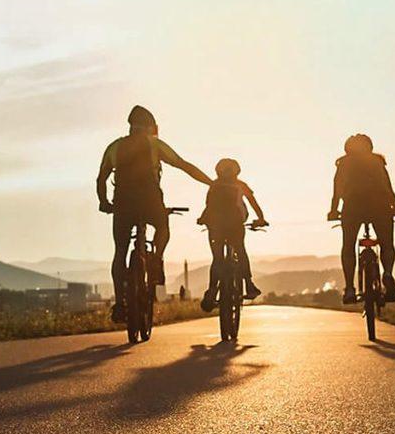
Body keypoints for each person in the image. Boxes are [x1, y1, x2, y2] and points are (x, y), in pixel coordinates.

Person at [97, 106, 212, 322]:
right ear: (151, 127)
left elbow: (101, 178)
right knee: (162, 227)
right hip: (150, 200)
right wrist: (212, 183)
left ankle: (120, 304)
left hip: (122, 204)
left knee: (120, 251)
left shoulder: (114, 147)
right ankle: (156, 260)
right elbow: (184, 165)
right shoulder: (153, 144)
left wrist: (104, 202)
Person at [328, 132, 395, 304]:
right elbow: (387, 187)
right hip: (380, 207)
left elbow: (337, 191)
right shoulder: (377, 162)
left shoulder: (343, 164)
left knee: (348, 247)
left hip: (353, 208)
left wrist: (333, 211)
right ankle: (388, 274)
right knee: (387, 244)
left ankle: (349, 288)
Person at [198, 159, 268, 310]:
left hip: (215, 226)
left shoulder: (214, 185)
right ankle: (249, 284)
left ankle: (211, 291)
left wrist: (202, 219)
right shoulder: (241, 185)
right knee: (240, 250)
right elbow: (253, 203)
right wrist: (261, 219)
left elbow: (208, 206)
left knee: (217, 259)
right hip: (236, 225)